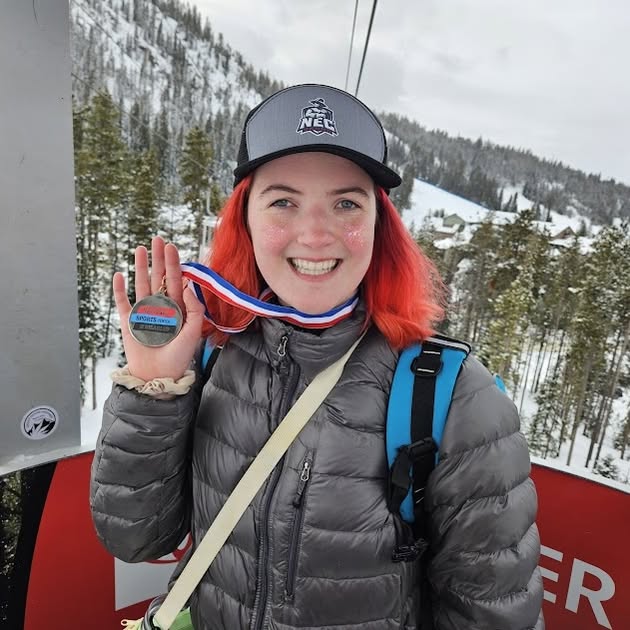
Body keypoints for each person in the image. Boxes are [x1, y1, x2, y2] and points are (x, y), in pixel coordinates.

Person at [90, 84, 544, 629]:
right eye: (283, 201)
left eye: (347, 203)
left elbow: (493, 615)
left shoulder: (448, 395)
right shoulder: (213, 354)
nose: (314, 234)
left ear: (381, 226)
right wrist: (153, 388)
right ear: (247, 220)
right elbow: (134, 537)